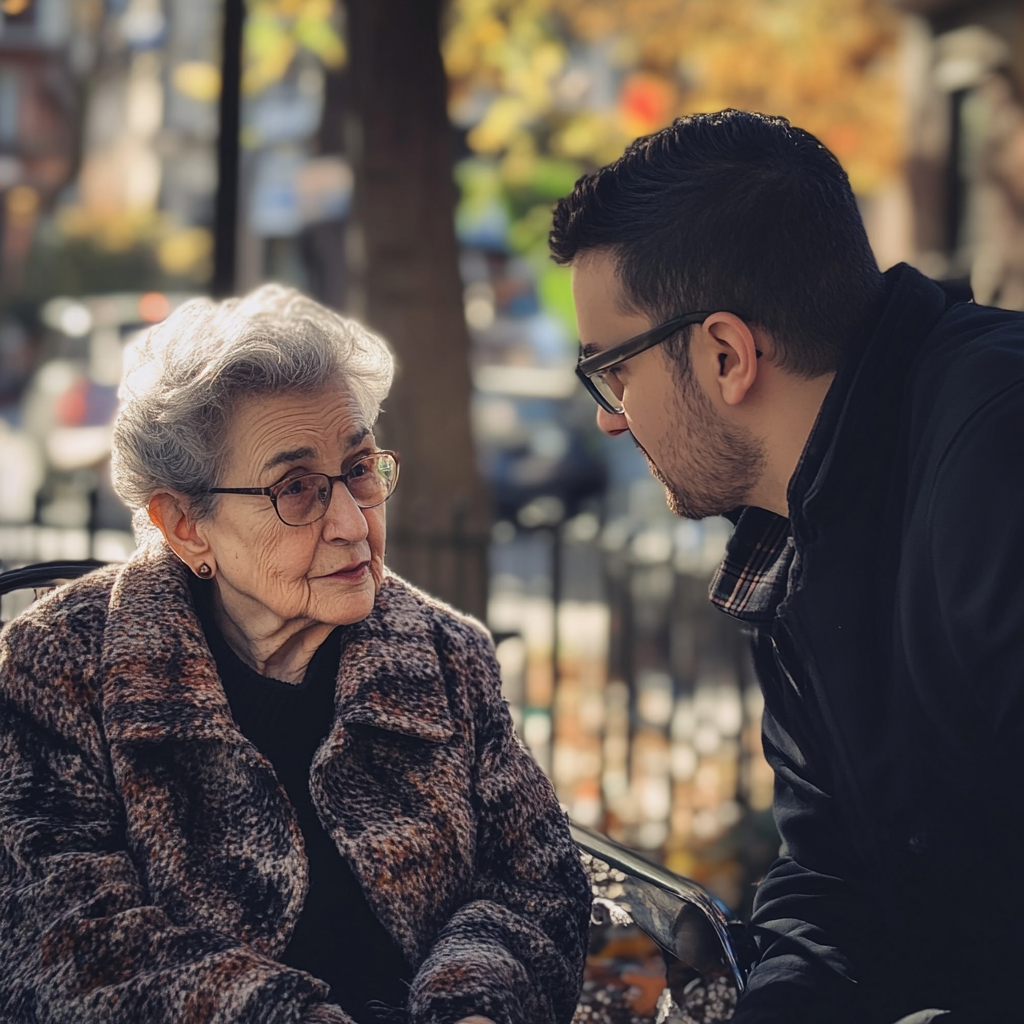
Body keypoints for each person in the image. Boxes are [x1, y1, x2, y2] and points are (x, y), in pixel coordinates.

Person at [0, 286, 592, 1024]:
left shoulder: (444, 655)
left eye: (360, 467)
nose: (351, 520)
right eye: (297, 489)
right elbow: (59, 942)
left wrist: (472, 1005)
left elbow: (538, 888)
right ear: (185, 526)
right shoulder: (68, 662)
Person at [550, 109, 1024, 1024]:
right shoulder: (794, 526)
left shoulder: (995, 450)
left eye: (612, 373)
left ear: (726, 354)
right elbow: (833, 877)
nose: (611, 417)